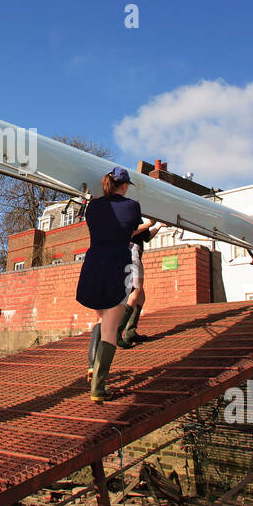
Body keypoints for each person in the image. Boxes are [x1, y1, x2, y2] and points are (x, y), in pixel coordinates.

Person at [76, 165, 142, 402]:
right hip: (117, 265)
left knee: (100, 319)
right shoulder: (132, 207)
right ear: (124, 186)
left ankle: (92, 368)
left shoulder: (92, 207)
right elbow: (132, 230)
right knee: (110, 329)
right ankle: (98, 388)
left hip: (93, 264)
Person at [119, 219, 163, 346]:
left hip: (135, 253)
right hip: (130, 252)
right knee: (135, 292)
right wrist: (149, 224)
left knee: (141, 297)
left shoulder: (137, 217)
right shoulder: (127, 212)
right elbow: (129, 232)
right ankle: (118, 330)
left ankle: (130, 331)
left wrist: (159, 225)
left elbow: (147, 237)